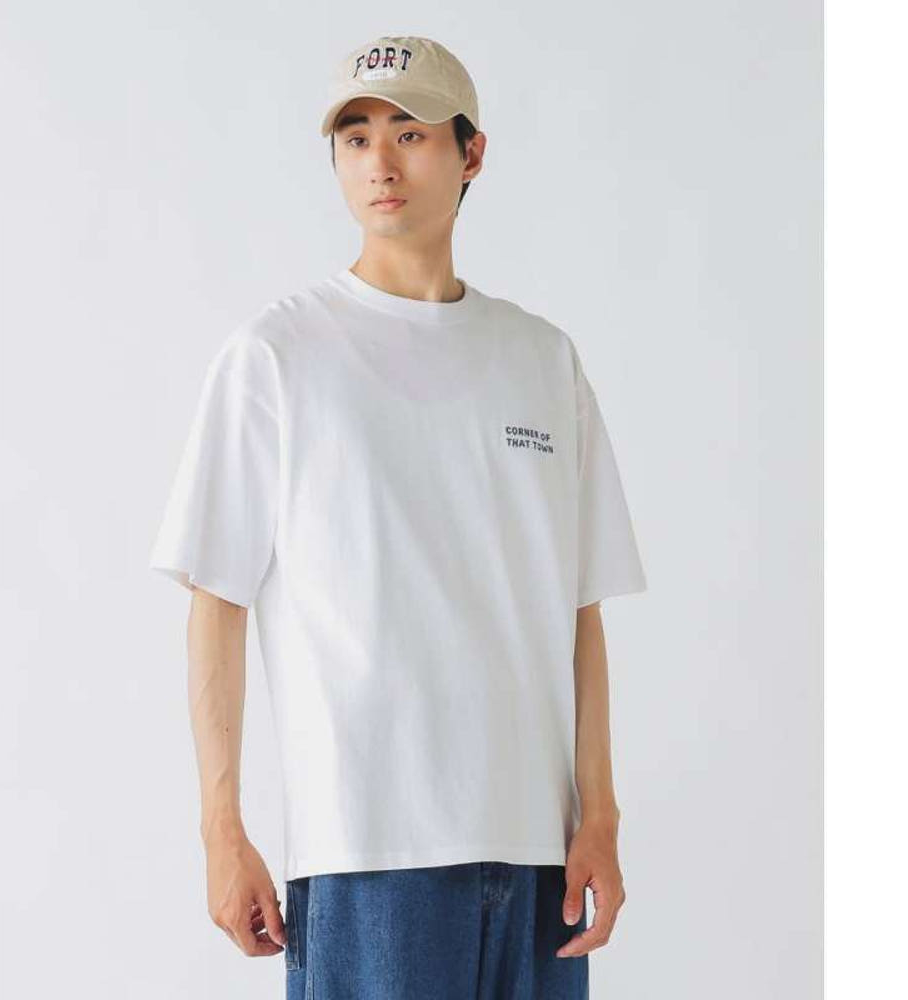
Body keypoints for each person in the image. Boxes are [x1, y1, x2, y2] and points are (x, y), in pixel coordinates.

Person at [149, 34, 647, 999]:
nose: (379, 161)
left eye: (410, 133)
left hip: (537, 857)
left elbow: (580, 611)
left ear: (472, 153)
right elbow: (217, 602)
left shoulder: (543, 360)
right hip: (366, 854)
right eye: (355, 136)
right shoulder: (278, 357)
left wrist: (600, 815)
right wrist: (222, 830)